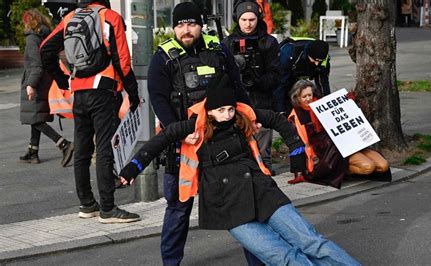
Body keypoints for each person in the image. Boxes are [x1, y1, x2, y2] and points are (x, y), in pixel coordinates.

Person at [119, 74, 360, 265]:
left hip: (262, 191)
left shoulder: (242, 117)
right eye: (221, 110)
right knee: (283, 257)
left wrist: (297, 150)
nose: (227, 115)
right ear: (209, 110)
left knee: (312, 242)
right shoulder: (194, 127)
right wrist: (132, 169)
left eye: (230, 109)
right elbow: (156, 143)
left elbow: (278, 120)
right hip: (227, 205)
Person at [147, 2, 253, 265]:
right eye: (180, 24)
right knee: (179, 208)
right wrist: (178, 133)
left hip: (223, 143)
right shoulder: (163, 57)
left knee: (241, 204)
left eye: (191, 23)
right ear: (174, 27)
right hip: (184, 146)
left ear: (200, 25)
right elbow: (158, 100)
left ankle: (259, 258)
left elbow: (237, 89)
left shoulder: (218, 49)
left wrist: (251, 118)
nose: (186, 29)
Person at [41, 0, 140, 223]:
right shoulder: (110, 17)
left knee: (83, 149)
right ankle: (108, 208)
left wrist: (63, 80)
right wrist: (132, 95)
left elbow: (45, 49)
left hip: (79, 92)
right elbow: (122, 62)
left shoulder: (70, 18)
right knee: (104, 149)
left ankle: (87, 205)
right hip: (103, 91)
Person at [287, 79, 391, 186]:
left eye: (310, 95)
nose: (308, 99)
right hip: (329, 151)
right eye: (304, 96)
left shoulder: (323, 104)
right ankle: (341, 171)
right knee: (368, 167)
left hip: (348, 142)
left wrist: (349, 104)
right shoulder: (296, 116)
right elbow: (296, 144)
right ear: (297, 97)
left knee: (383, 166)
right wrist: (298, 172)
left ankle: (342, 169)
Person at [223, 0, 280, 172]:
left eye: (252, 20)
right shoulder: (227, 43)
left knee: (263, 154)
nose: (248, 24)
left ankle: (265, 178)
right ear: (237, 19)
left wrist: (257, 80)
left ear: (258, 19)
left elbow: (275, 75)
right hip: (236, 103)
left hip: (262, 101)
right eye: (244, 20)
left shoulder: (269, 43)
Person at [19, 9, 74, 167]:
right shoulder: (46, 35)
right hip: (46, 81)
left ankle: (64, 144)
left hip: (36, 81)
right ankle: (33, 150)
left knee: (35, 119)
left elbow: (36, 65)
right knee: (36, 116)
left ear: (28, 22)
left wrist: (31, 84)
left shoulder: (31, 39)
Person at [275, 38, 331, 115]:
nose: (316, 64)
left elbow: (323, 84)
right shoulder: (289, 53)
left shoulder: (324, 59)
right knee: (286, 100)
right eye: (314, 60)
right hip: (288, 72)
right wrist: (280, 111)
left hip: (302, 73)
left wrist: (327, 105)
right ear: (308, 54)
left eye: (319, 61)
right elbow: (280, 84)